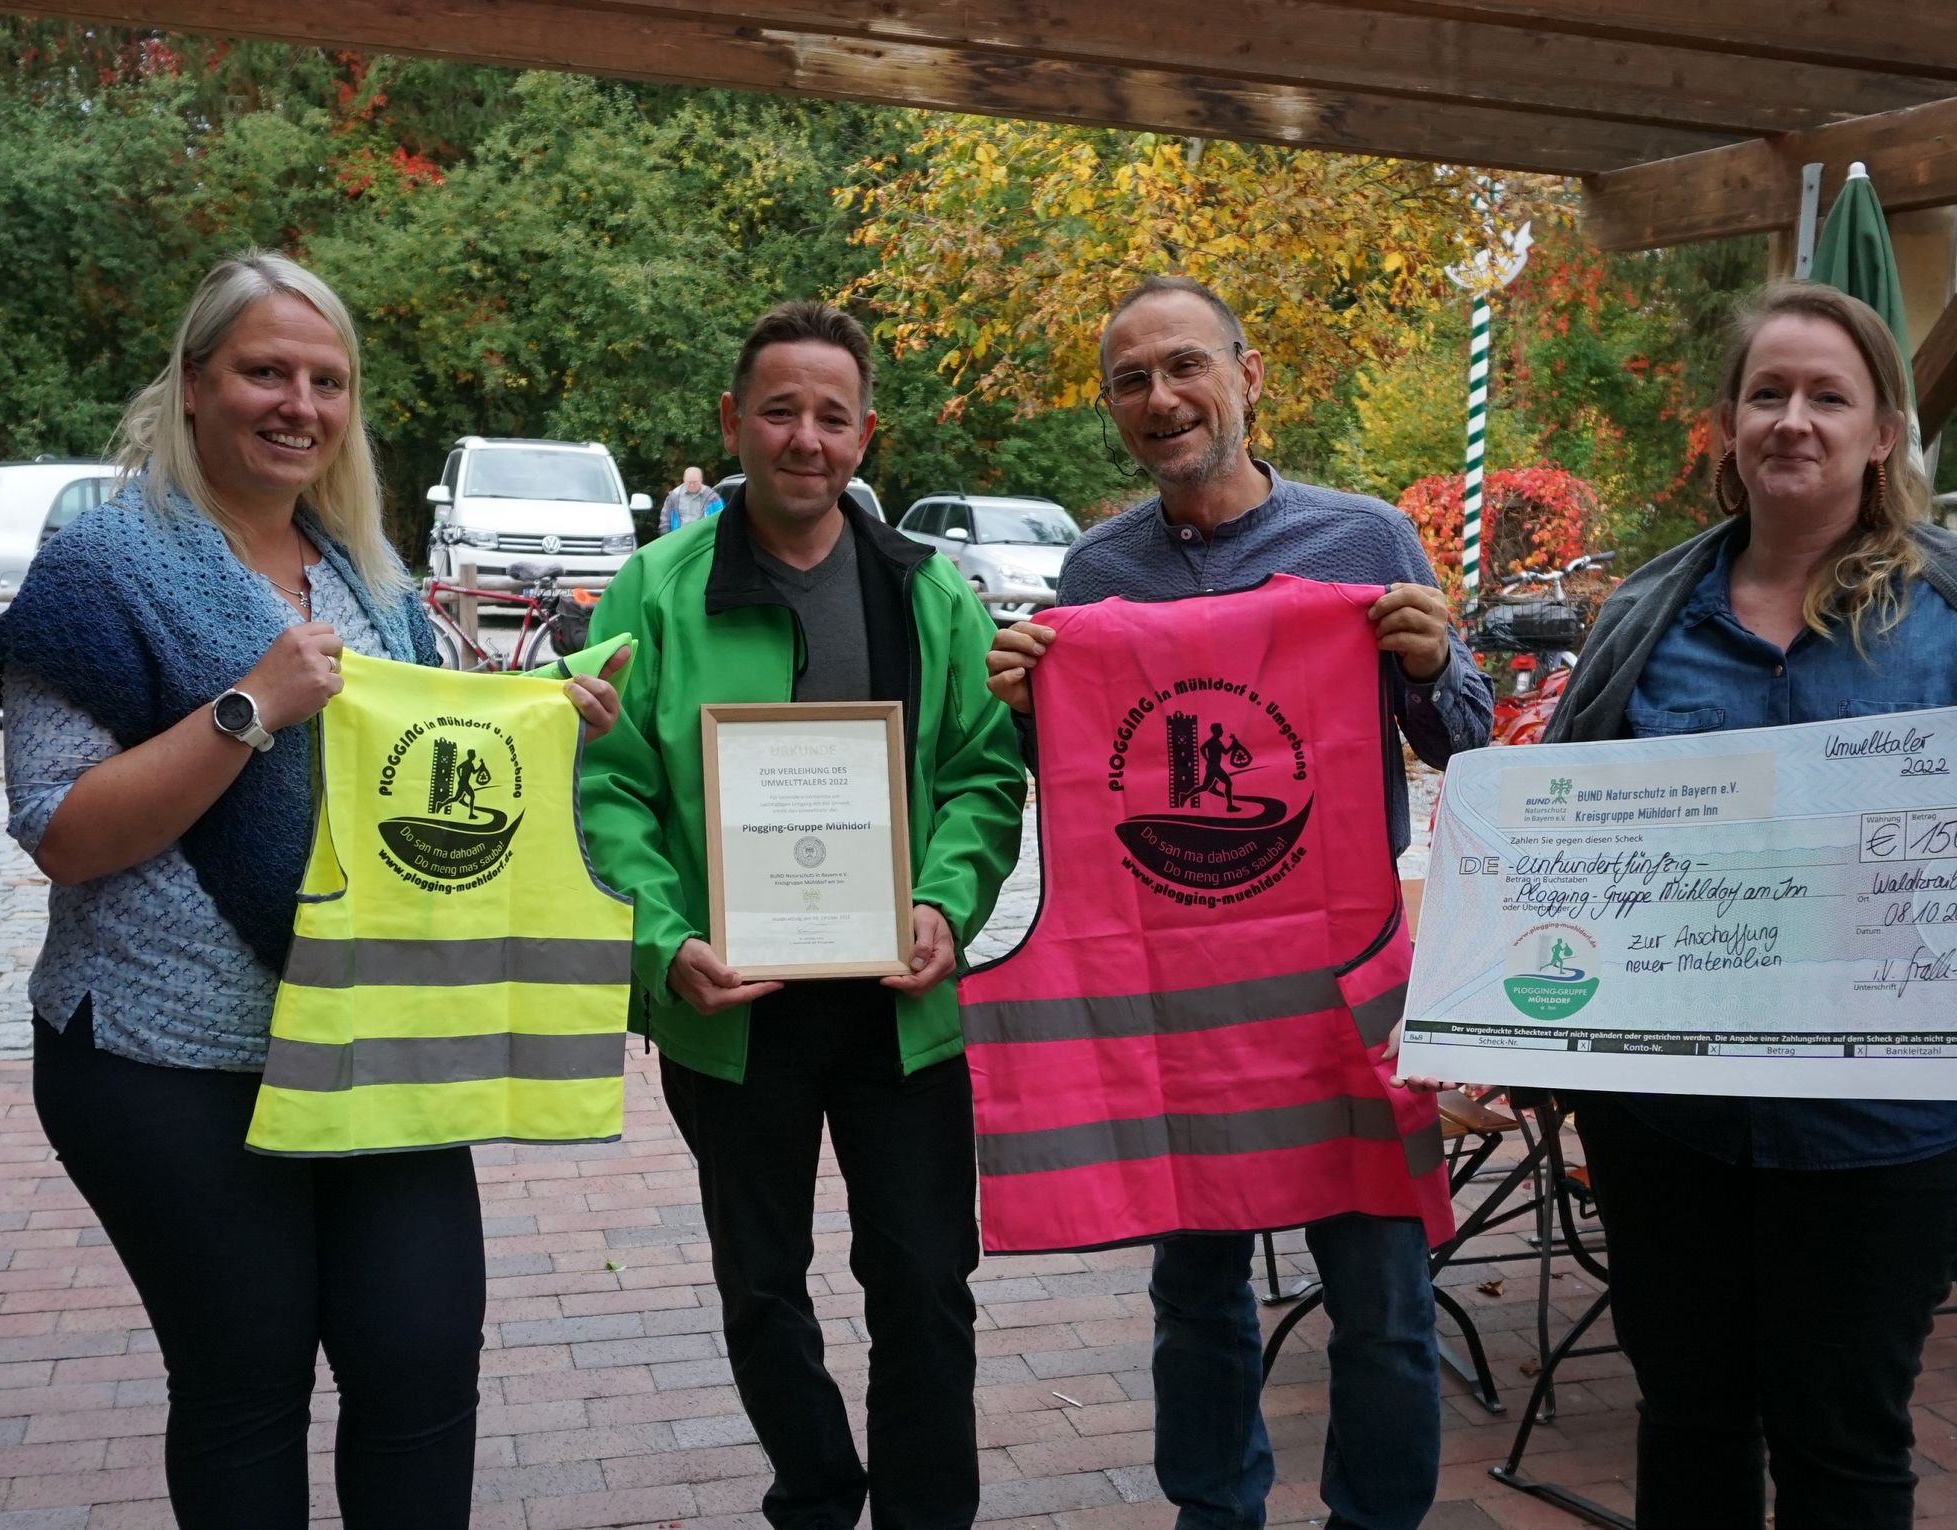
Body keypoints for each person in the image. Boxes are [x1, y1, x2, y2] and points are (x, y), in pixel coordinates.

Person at [0, 251, 624, 1530]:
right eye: (265, 371)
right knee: (243, 1387)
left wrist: (534, 727)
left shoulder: (369, 579)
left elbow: (408, 782)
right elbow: (61, 832)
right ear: (195, 382)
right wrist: (249, 708)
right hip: (167, 1060)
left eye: (326, 381)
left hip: (377, 1038)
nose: (299, 404)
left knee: (422, 1363)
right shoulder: (103, 567)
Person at [1535, 281, 1957, 1530]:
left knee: (1844, 1443)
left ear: (1883, 431)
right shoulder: (1646, 617)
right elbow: (1566, 852)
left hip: (1884, 1131)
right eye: (1768, 393)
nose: (1794, 419)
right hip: (1671, 1125)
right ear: (1730, 425)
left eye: (1828, 395)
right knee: (1686, 1422)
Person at [985, 275, 1494, 1530]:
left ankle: (1374, 1521)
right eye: (1130, 380)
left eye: (1183, 366)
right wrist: (1020, 703)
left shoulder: (1365, 541)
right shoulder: (1096, 566)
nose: (1161, 398)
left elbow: (1469, 742)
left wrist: (1430, 667)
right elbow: (1080, 776)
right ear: (1113, 407)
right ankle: (1215, 1515)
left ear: (1246, 376)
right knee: (1195, 1300)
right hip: (1181, 1014)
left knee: (1383, 1300)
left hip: (1343, 999)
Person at [581, 301, 1026, 1530]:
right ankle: (819, 1496)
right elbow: (604, 793)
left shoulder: (928, 592)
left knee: (928, 1285)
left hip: (900, 1013)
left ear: (867, 435)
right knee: (763, 1287)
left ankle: (930, 1514)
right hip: (734, 1013)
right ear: (733, 423)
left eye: (832, 415)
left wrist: (947, 897)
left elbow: (985, 775)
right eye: (779, 410)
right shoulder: (655, 591)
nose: (805, 439)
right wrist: (662, 944)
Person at [661, 463, 723, 530]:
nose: (692, 485)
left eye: (695, 482)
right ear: (684, 480)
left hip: (702, 535)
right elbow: (665, 520)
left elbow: (720, 518)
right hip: (680, 536)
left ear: (701, 480)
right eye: (689, 482)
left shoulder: (712, 498)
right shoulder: (673, 497)